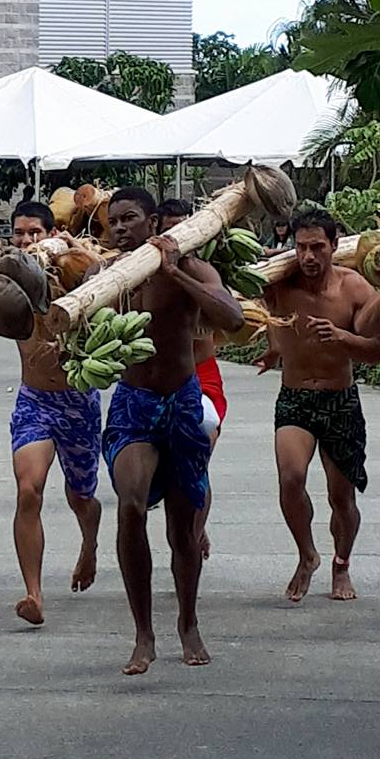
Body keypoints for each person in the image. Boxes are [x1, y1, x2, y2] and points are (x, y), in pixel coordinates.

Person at [102, 188, 243, 674]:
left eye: (130, 218)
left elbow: (233, 317)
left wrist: (176, 273)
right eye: (112, 221)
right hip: (133, 406)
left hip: (182, 401)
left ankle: (188, 622)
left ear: (152, 222)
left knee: (183, 530)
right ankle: (143, 633)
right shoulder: (105, 280)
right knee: (130, 506)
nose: (120, 228)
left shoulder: (188, 267)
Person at [255, 208, 380, 603]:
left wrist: (342, 338)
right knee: (291, 479)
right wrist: (274, 346)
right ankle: (307, 554)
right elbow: (238, 298)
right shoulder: (280, 282)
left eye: (317, 247)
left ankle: (341, 563)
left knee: (341, 498)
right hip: (294, 398)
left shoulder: (355, 287)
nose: (308, 256)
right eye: (301, 247)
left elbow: (375, 352)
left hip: (339, 399)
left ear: (333, 245)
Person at [10, 201, 102, 626]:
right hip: (34, 401)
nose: (26, 241)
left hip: (78, 401)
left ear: (51, 233)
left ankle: (90, 544)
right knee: (29, 489)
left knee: (81, 496)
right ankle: (34, 593)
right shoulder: (8, 283)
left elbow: (110, 282)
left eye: (34, 233)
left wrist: (77, 252)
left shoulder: (76, 273)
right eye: (19, 233)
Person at [157, 199, 229, 559]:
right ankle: (185, 530)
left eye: (189, 227)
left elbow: (233, 315)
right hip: (163, 380)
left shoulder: (207, 272)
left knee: (200, 455)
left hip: (203, 378)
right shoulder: (146, 270)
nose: (182, 236)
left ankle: (193, 534)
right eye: (173, 228)